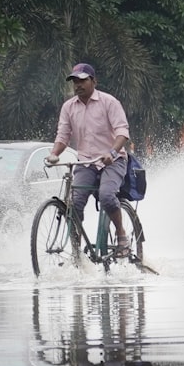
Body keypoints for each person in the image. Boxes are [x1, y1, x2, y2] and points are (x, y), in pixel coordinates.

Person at [46, 62, 132, 257]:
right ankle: (77, 251)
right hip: (86, 162)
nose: (78, 85)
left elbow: (122, 132)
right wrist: (54, 154)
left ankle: (121, 235)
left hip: (113, 159)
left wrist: (112, 152)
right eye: (75, 81)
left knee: (107, 196)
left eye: (83, 80)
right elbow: (63, 136)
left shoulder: (109, 102)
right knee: (74, 204)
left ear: (94, 81)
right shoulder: (68, 107)